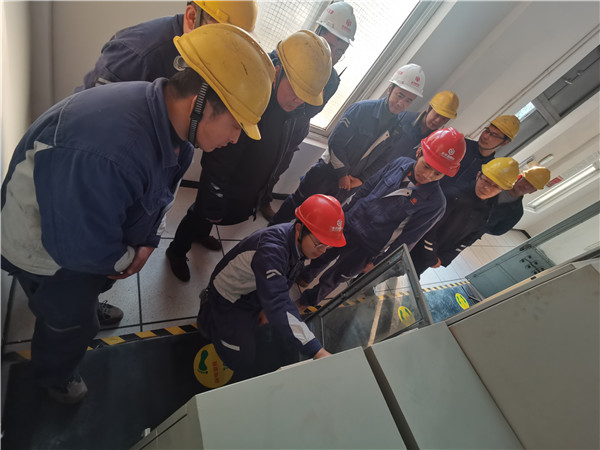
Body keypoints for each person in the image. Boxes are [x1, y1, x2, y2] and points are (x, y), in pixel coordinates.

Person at [0, 24, 275, 404]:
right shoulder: (109, 152)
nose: (234, 139)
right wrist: (131, 258)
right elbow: (78, 249)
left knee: (88, 293)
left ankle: (87, 304)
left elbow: (160, 196)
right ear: (200, 103)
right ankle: (55, 376)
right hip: (45, 252)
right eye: (235, 125)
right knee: (69, 323)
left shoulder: (176, 130)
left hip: (83, 236)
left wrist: (147, 240)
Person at [166, 30, 332, 282]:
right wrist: (214, 196)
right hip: (224, 180)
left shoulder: (293, 113)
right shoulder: (253, 99)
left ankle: (201, 233)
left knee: (210, 217)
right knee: (200, 213)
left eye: (305, 96)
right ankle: (177, 250)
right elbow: (220, 158)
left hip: (246, 183)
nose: (298, 100)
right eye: (294, 89)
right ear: (277, 72)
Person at [297, 128, 466, 308]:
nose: (427, 175)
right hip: (351, 221)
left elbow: (408, 239)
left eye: (437, 174)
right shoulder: (400, 163)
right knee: (324, 253)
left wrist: (378, 263)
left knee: (336, 276)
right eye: (426, 166)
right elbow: (368, 187)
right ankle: (305, 277)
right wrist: (343, 214)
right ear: (419, 153)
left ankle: (306, 301)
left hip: (369, 245)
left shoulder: (435, 204)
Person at [197, 194, 346, 378]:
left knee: (266, 333)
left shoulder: (297, 242)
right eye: (319, 244)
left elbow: (285, 280)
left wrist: (267, 306)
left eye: (328, 246)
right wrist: (317, 350)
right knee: (241, 358)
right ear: (299, 228)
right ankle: (207, 312)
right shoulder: (271, 250)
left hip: (253, 290)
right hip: (227, 297)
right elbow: (278, 301)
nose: (322, 251)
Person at [269, 63, 426, 225]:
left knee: (316, 217)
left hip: (349, 185)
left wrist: (361, 179)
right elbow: (335, 142)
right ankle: (269, 231)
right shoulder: (362, 110)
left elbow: (383, 160)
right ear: (390, 89)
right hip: (326, 172)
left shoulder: (398, 129)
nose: (401, 103)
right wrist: (342, 174)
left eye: (408, 100)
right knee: (297, 203)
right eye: (400, 95)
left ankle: (290, 239)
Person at [259, 1, 358, 220]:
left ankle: (263, 200)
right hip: (266, 122)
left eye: (340, 51)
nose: (332, 55)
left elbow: (313, 110)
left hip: (294, 130)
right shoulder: (292, 51)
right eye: (329, 45)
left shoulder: (332, 80)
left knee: (277, 168)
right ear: (317, 33)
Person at [75, 1, 258, 91]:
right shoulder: (137, 55)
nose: (227, 52)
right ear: (192, 17)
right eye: (222, 38)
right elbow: (92, 119)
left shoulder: (201, 50)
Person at [410, 157, 520, 277]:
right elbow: (429, 227)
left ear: (501, 190)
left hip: (437, 253)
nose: (487, 188)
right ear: (478, 175)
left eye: (495, 186)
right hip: (417, 247)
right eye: (486, 181)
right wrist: (430, 257)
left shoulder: (489, 209)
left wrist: (445, 257)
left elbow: (470, 238)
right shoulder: (452, 194)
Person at [441, 114, 520, 186]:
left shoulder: (490, 169)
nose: (485, 136)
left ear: (505, 143)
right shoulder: (459, 144)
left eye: (494, 135)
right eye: (487, 130)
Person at [390, 90, 460, 160]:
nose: (438, 121)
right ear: (429, 108)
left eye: (444, 119)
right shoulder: (403, 118)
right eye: (437, 115)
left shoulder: (435, 143)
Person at [484, 166, 551, 235]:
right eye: (526, 181)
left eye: (531, 186)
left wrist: (481, 227)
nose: (526, 186)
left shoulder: (516, 213)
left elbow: (497, 231)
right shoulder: (494, 182)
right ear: (519, 177)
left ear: (532, 191)